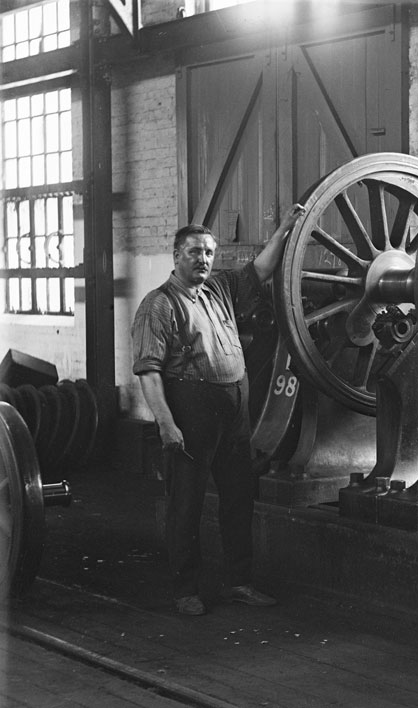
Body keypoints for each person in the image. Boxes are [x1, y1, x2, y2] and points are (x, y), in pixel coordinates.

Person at [131, 204, 305, 616]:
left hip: (234, 414)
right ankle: (186, 590)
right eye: (194, 252)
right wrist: (166, 424)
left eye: (209, 252)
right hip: (190, 413)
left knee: (239, 498)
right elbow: (149, 372)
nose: (203, 259)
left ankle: (239, 582)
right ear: (177, 256)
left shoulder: (220, 288)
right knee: (186, 504)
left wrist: (284, 228)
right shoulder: (158, 305)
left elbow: (260, 270)